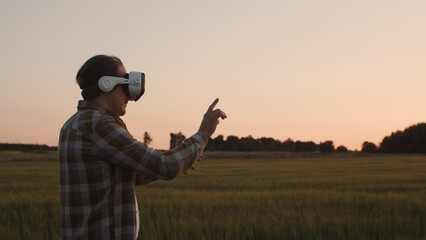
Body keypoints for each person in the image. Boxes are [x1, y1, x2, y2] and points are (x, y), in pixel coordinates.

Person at [58, 55, 226, 240]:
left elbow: (126, 174)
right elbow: (166, 166)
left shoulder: (74, 124)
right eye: (125, 84)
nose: (129, 94)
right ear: (106, 84)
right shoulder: (98, 125)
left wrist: (184, 159)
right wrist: (203, 133)